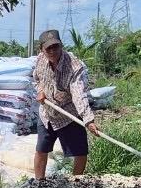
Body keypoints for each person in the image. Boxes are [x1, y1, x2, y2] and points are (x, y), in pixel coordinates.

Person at [33, 28, 100, 180]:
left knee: (80, 152)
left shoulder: (74, 66)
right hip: (47, 113)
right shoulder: (40, 60)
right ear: (42, 50)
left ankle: (75, 183)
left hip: (69, 114)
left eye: (55, 46)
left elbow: (78, 94)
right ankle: (39, 184)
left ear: (61, 45)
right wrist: (40, 90)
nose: (52, 51)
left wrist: (88, 119)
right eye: (48, 48)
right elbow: (36, 79)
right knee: (41, 150)